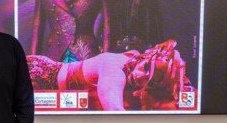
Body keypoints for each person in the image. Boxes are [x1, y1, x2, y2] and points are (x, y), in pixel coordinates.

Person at [28, 39, 188, 111]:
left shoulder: (133, 57)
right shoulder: (114, 71)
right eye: (146, 67)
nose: (141, 78)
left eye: (150, 82)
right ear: (146, 56)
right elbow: (115, 113)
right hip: (38, 76)